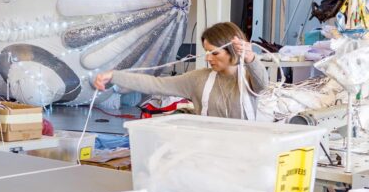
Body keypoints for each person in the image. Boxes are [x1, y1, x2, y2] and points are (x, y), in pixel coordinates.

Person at [93, 22, 269, 120]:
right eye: (206, 52)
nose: (208, 58)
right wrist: (114, 76)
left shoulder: (248, 78)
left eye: (214, 53)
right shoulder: (198, 79)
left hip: (245, 150)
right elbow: (155, 84)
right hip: (208, 150)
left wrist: (251, 59)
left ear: (232, 50)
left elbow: (263, 84)